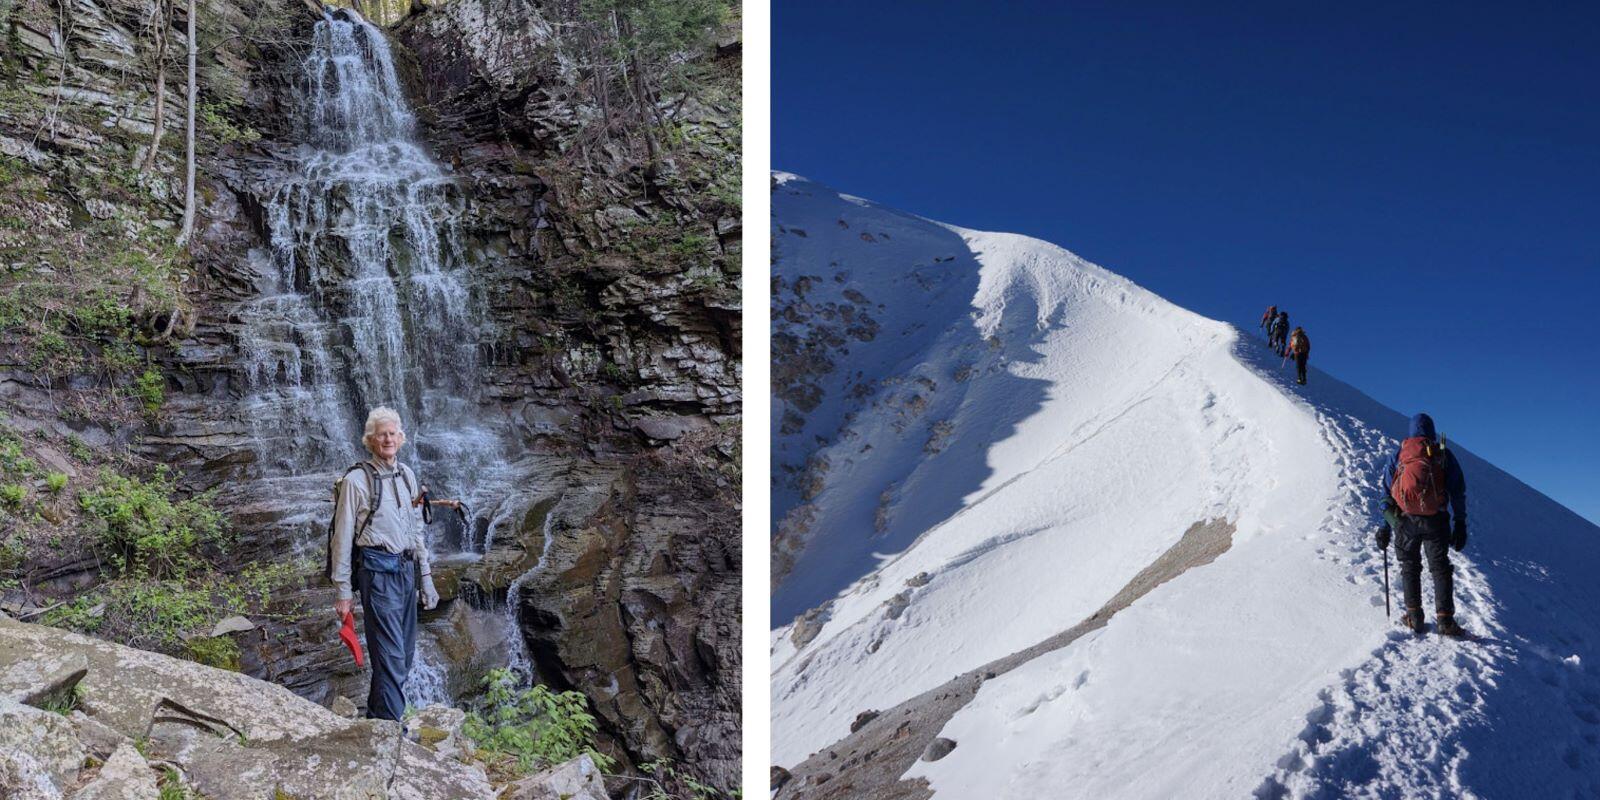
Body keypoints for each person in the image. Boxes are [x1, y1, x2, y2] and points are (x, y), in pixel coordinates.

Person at [328, 406, 440, 720]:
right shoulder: (356, 481)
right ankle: (393, 733)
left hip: (406, 572)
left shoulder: (407, 475)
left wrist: (426, 577)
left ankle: (377, 721)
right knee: (390, 656)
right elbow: (342, 537)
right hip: (377, 574)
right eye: (382, 435)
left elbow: (415, 528)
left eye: (392, 433)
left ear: (401, 438)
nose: (388, 439)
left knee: (401, 657)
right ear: (370, 440)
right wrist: (343, 592)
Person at [1374, 413, 1467, 637]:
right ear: (1432, 431)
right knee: (1440, 568)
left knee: (1410, 567)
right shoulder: (1442, 453)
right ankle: (1445, 619)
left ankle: (1414, 616)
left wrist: (1385, 526)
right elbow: (1457, 491)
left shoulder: (1400, 454)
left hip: (1405, 520)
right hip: (1436, 519)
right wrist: (1460, 522)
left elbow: (1386, 492)